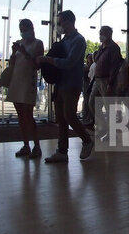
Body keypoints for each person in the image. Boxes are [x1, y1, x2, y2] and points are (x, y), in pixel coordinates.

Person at [36, 10, 94, 162]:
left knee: (69, 115)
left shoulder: (79, 40)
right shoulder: (64, 41)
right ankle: (62, 151)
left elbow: (69, 62)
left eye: (60, 22)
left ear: (69, 21)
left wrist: (48, 60)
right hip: (61, 83)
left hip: (72, 84)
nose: (59, 25)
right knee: (61, 118)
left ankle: (87, 140)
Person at [6, 19, 44, 158]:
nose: (23, 32)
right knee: (21, 116)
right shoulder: (19, 43)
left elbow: (37, 64)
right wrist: (13, 52)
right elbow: (12, 63)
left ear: (31, 28)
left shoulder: (38, 43)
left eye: (25, 28)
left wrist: (22, 51)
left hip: (29, 81)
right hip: (17, 81)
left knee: (28, 115)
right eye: (20, 29)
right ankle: (26, 145)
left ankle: (37, 146)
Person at [88, 26, 122, 138]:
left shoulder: (113, 48)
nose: (100, 35)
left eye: (102, 33)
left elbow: (114, 67)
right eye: (100, 33)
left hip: (107, 80)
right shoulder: (101, 47)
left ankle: (111, 133)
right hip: (97, 80)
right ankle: (103, 127)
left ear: (109, 34)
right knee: (92, 103)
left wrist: (111, 83)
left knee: (109, 107)